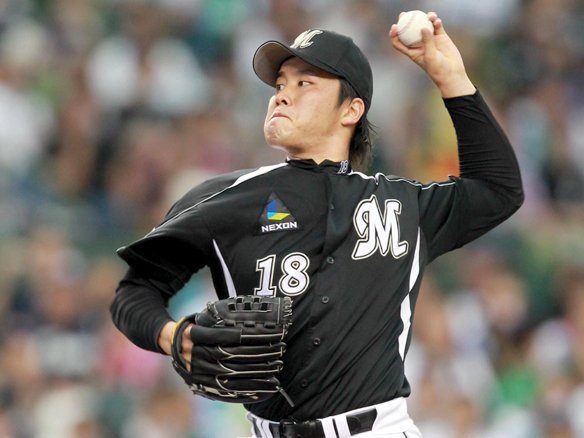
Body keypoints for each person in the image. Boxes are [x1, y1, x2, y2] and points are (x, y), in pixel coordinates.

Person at [110, 11, 523, 438]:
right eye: (280, 85)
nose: (281, 96)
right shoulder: (225, 200)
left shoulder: (403, 205)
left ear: (351, 110)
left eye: (304, 83)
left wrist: (451, 78)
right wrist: (172, 335)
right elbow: (135, 291)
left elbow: (498, 190)